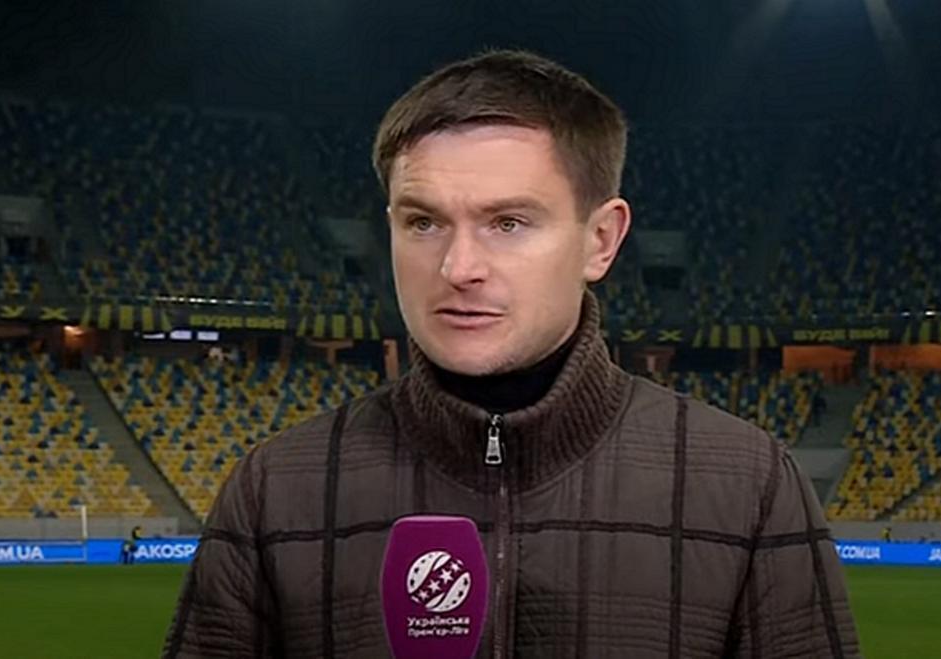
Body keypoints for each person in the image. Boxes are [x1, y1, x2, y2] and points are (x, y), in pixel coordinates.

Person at [163, 50, 859, 657]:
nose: (458, 266)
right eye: (423, 222)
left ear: (601, 241)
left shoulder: (748, 486)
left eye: (508, 222)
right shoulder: (275, 491)